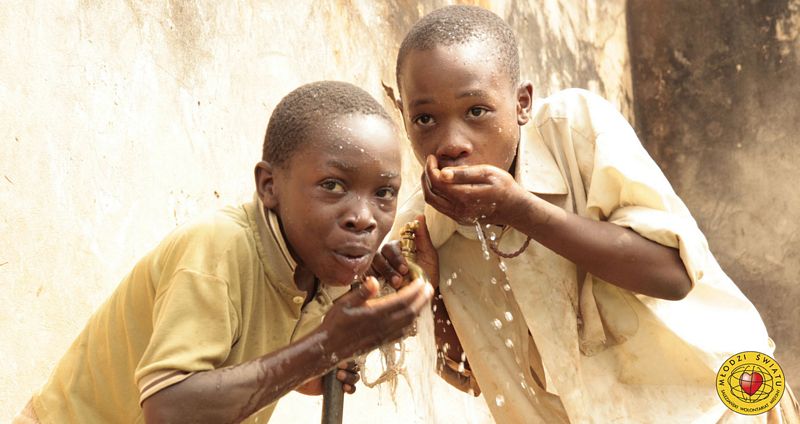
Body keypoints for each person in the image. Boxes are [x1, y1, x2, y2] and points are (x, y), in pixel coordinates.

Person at [372, 5, 798, 423]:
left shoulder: (573, 130)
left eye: (476, 111)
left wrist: (518, 209)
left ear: (522, 103)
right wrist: (429, 296)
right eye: (424, 119)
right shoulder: (423, 230)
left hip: (723, 402)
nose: (452, 142)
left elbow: (672, 276)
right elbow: (472, 373)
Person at [16, 81, 434, 424]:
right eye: (332, 185)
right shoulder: (218, 249)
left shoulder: (318, 269)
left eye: (384, 193)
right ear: (269, 186)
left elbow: (286, 373)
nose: (363, 218)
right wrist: (327, 344)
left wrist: (352, 335)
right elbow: (169, 410)